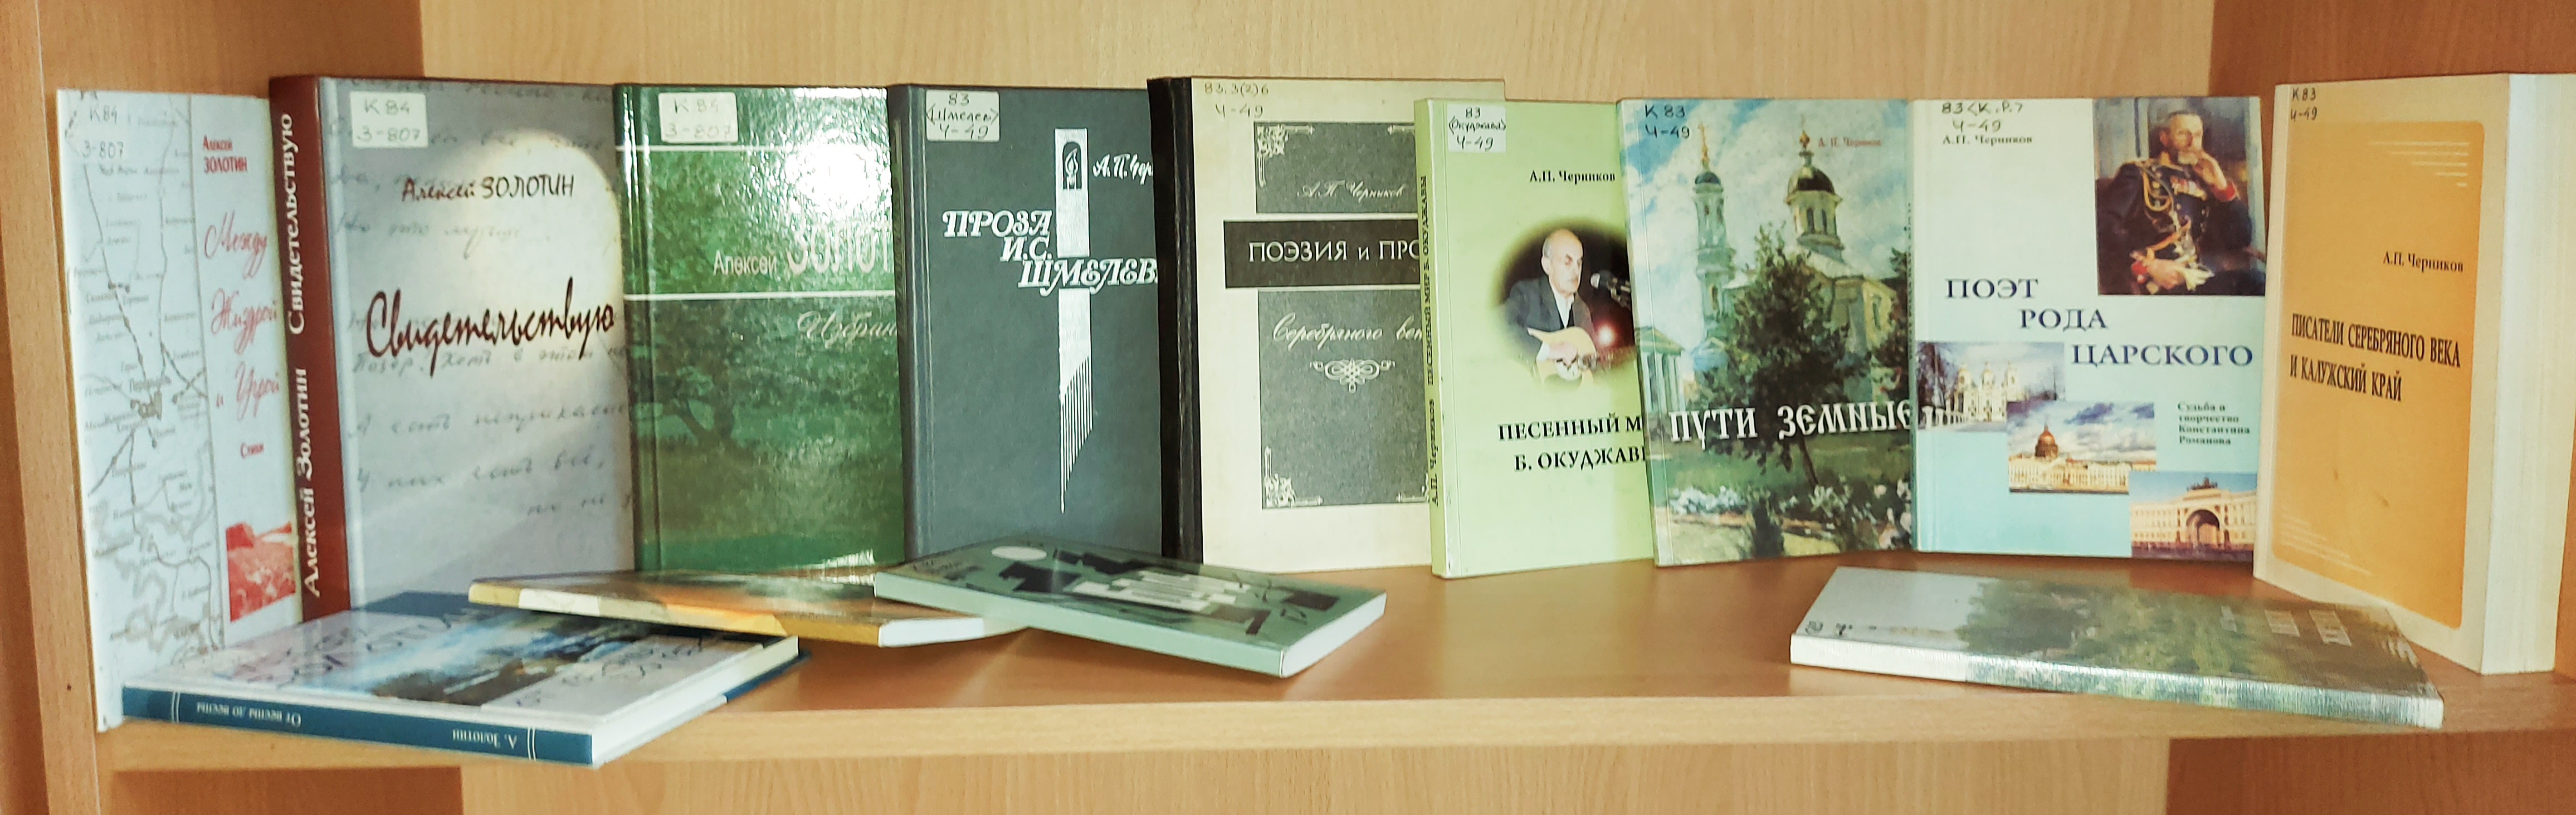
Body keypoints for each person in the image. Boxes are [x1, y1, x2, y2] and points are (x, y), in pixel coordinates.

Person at [2096, 111, 2260, 295]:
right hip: (2159, 284)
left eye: (2197, 135)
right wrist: (2146, 266)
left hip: (2197, 277)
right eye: (2183, 134)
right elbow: (2104, 226)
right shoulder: (2139, 174)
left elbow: (2239, 240)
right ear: (2164, 138)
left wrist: (2221, 187)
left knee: (2255, 282)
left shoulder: (2202, 180)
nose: (2192, 143)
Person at [1502, 229, 1598, 370]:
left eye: (1579, 263)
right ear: (1547, 266)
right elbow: (1498, 327)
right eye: (1567, 262)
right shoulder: (1528, 294)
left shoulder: (1581, 310)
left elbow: (1593, 359)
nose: (1576, 271)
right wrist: (1549, 351)